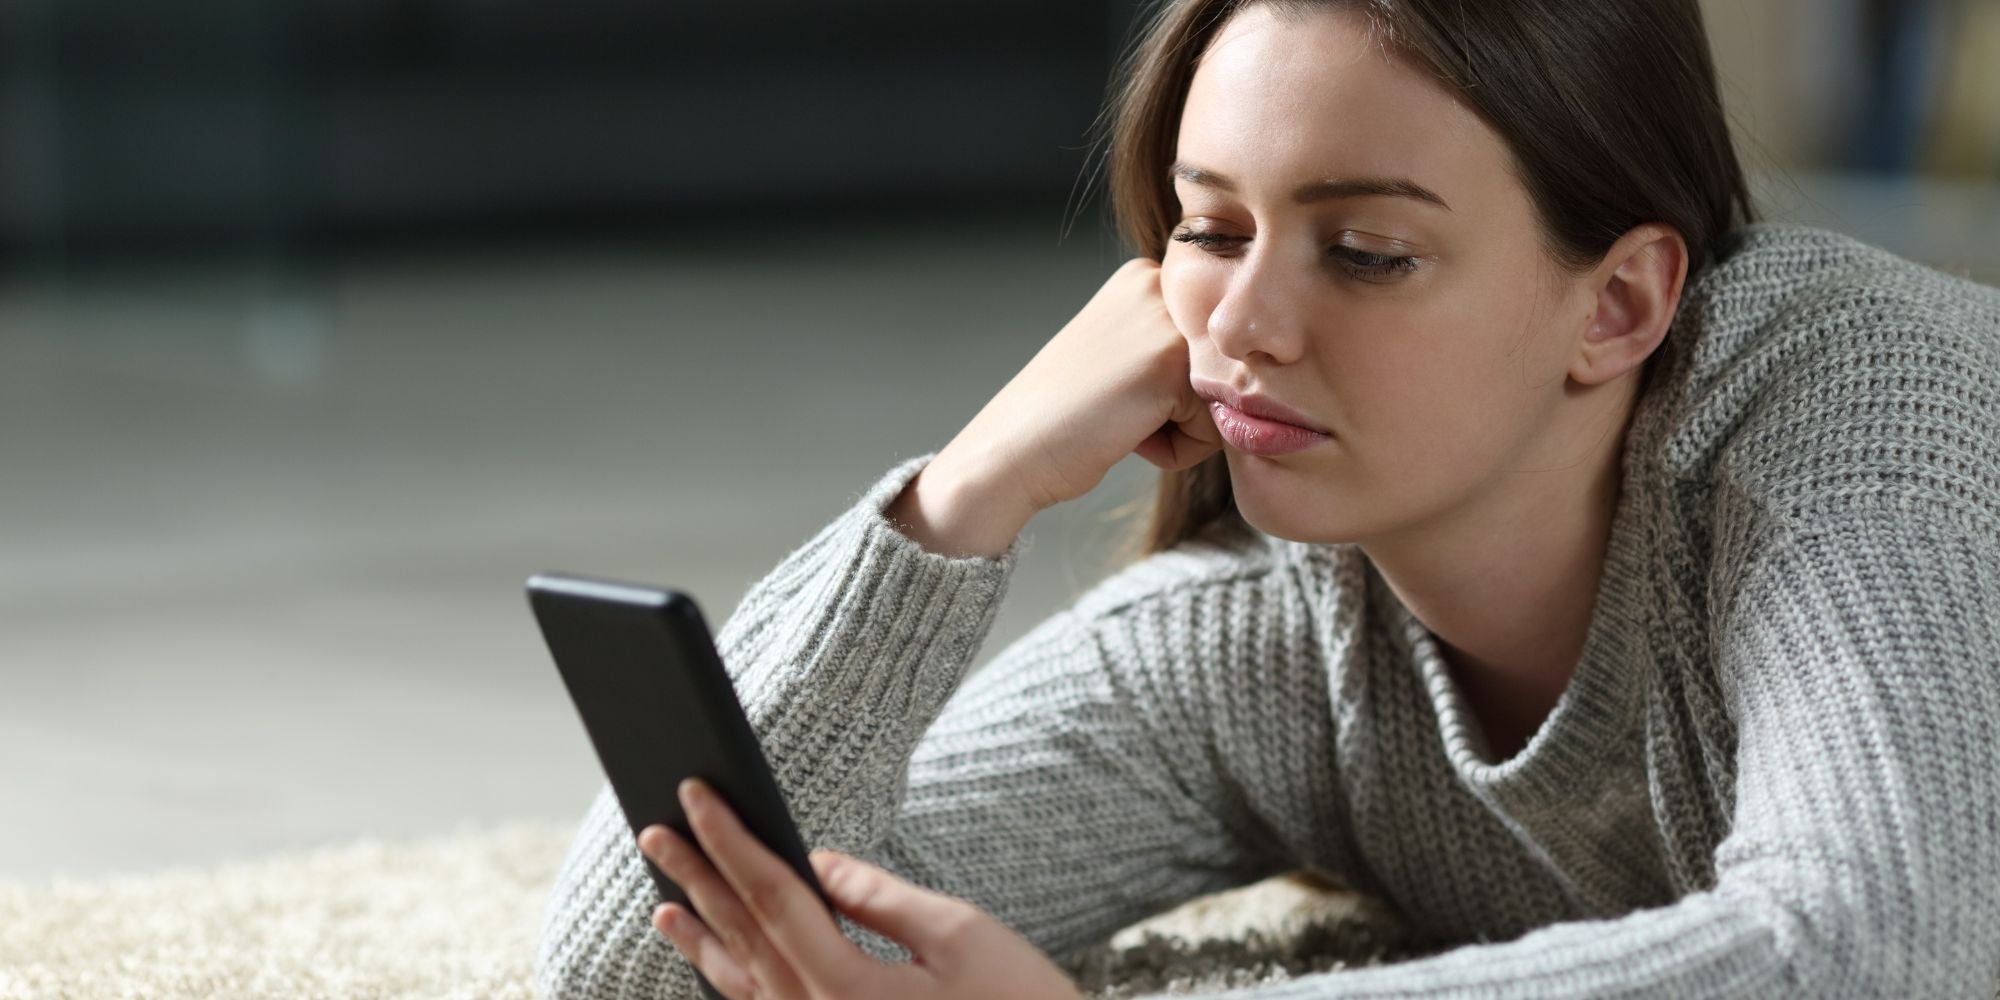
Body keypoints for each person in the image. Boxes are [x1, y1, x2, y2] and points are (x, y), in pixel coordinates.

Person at [534, 0, 2000, 996]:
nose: (1241, 325)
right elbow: (643, 965)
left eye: (1364, 250)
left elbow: (1878, 954)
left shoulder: (1861, 415)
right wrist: (960, 498)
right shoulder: (1267, 651)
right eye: (1209, 228)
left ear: (1618, 302)